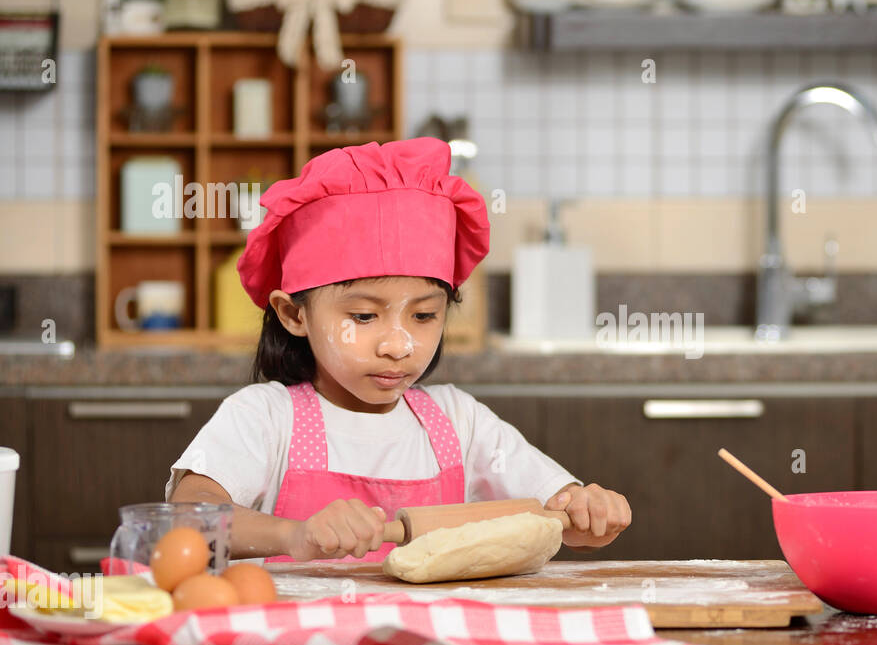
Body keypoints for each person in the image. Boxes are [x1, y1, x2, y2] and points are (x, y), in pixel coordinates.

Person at [166, 137, 630, 562]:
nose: (398, 345)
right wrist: (295, 536)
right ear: (294, 315)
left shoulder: (460, 423)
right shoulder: (266, 419)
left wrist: (587, 509)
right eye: (364, 317)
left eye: (424, 316)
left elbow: (560, 509)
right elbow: (188, 519)